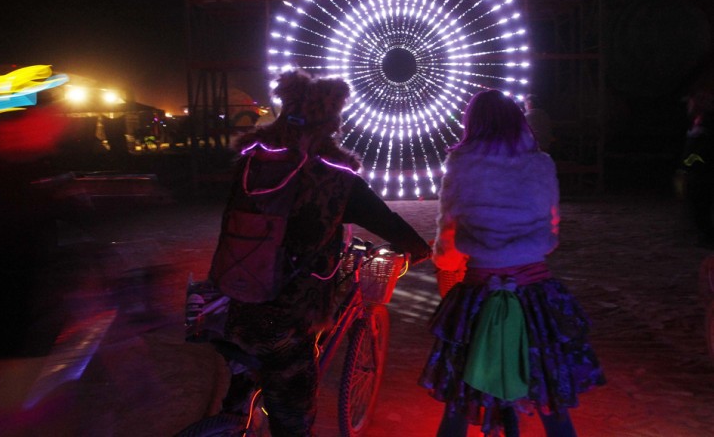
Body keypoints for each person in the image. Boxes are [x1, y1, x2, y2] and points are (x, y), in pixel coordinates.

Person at [209, 69, 432, 436]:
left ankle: (230, 418)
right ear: (330, 121)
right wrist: (417, 249)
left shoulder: (254, 161)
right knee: (293, 414)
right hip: (289, 313)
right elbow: (385, 221)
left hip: (234, 296)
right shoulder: (333, 174)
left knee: (243, 383)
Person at [418, 90, 605, 437]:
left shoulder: (461, 165)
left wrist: (447, 262)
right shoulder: (542, 164)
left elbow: (448, 237)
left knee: (462, 389)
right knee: (548, 387)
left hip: (478, 291)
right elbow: (552, 227)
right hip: (535, 291)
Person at [681, 88, 714, 248]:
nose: (689, 106)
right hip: (698, 171)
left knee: (702, 203)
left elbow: (700, 151)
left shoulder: (706, 122)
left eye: (691, 103)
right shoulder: (698, 122)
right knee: (698, 204)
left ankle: (707, 235)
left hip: (703, 172)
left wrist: (690, 164)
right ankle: (704, 234)